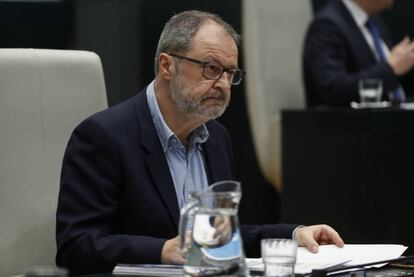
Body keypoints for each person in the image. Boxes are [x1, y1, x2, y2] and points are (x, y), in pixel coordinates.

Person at [56, 10, 344, 275]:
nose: (223, 83)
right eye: (211, 68)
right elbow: (76, 245)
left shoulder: (216, 137)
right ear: (167, 65)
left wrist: (294, 235)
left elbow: (219, 238)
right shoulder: (103, 136)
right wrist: (162, 250)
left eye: (230, 73)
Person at [303, 0, 414, 107]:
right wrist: (390, 68)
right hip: (354, 123)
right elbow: (335, 90)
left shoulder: (374, 21)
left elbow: (395, 78)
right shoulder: (326, 26)